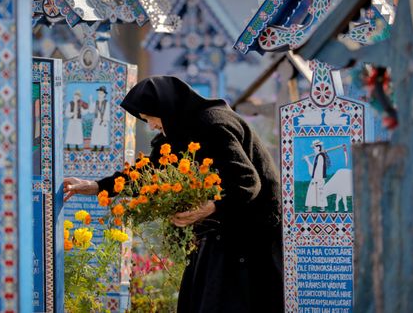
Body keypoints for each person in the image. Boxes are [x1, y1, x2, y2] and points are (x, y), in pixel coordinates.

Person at [64, 76, 283, 313]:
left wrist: (210, 207)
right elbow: (150, 173)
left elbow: (247, 182)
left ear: (165, 108)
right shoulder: (180, 130)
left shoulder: (214, 125)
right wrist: (97, 186)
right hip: (220, 231)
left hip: (251, 233)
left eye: (150, 118)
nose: (151, 126)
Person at [303, 139, 330, 212]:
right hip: (316, 177)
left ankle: (320, 208)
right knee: (314, 192)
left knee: (317, 192)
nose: (313, 149)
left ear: (318, 148)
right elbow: (314, 169)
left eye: (314, 147)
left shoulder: (320, 157)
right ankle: (312, 208)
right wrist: (307, 161)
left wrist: (307, 161)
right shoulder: (317, 156)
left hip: (318, 178)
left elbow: (319, 169)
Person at [90, 86, 109, 150]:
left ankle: (102, 147)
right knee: (95, 133)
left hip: (103, 121)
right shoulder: (96, 102)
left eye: (101, 93)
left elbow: (107, 112)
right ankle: (95, 146)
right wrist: (90, 101)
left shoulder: (107, 103)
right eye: (99, 93)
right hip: (96, 120)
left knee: (102, 134)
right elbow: (91, 110)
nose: (99, 95)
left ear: (104, 94)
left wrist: (104, 120)